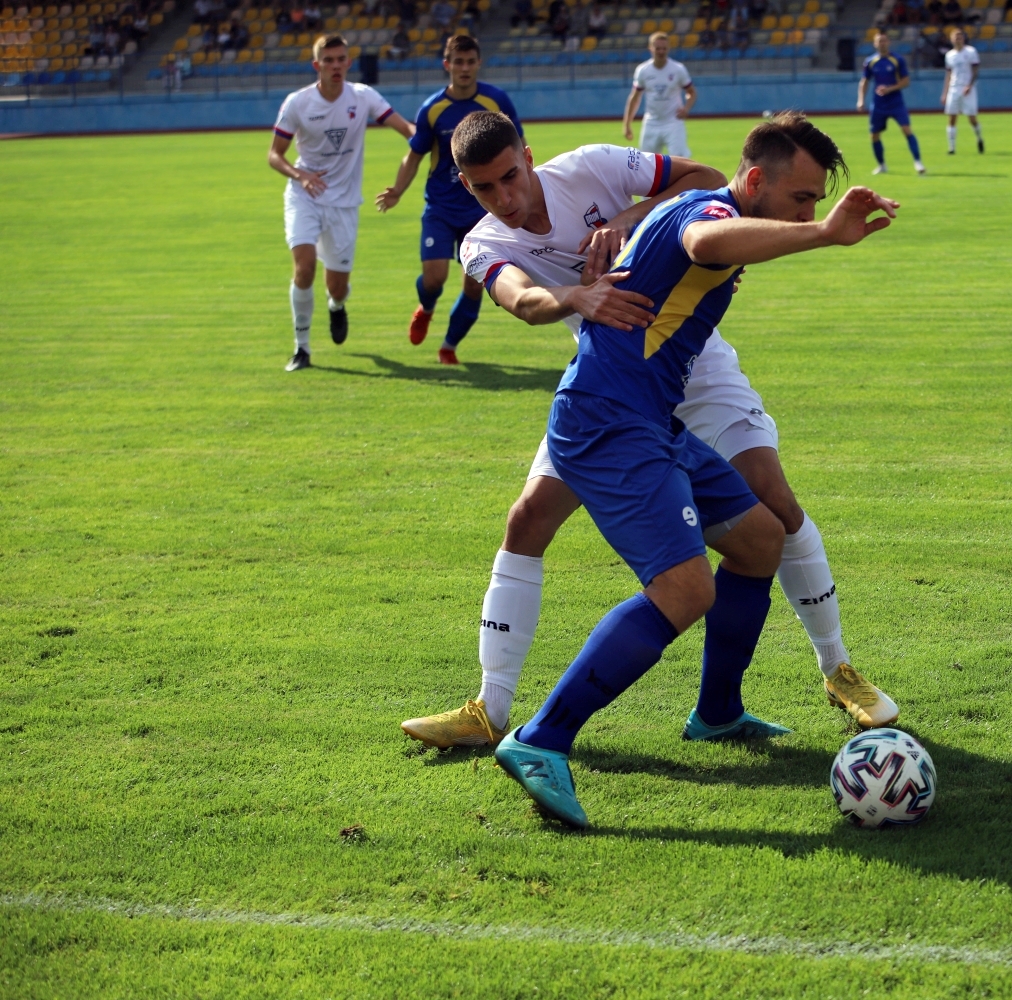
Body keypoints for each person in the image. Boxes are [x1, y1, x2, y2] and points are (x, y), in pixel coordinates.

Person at [402, 124, 903, 752]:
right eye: (483, 188)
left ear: (529, 159)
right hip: (616, 374)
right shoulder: (481, 242)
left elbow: (702, 185)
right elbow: (524, 300)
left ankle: (836, 670)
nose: (503, 197)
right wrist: (578, 297)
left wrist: (631, 226)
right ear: (466, 187)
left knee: (771, 506)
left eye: (510, 176)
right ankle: (491, 710)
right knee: (529, 520)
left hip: (689, 359)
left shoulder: (592, 166)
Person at [268, 34, 413, 372]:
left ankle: (337, 305)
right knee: (304, 268)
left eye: (341, 59)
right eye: (328, 60)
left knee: (338, 285)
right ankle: (301, 348)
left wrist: (428, 136)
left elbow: (403, 125)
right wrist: (299, 175)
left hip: (344, 204)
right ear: (316, 65)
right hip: (305, 195)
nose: (335, 66)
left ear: (349, 62)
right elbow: (274, 155)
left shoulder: (362, 96)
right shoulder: (297, 103)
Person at [375, 35, 522, 365]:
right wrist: (397, 190)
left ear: (478, 63)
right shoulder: (433, 108)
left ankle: (449, 345)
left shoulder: (496, 102)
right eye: (458, 62)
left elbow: (518, 148)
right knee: (435, 277)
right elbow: (413, 156)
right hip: (441, 207)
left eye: (470, 62)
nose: (464, 68)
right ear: (447, 65)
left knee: (473, 288)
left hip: (482, 211)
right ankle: (426, 307)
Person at [857, 30, 925, 175]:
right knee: (874, 135)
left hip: (895, 102)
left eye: (884, 40)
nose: (882, 43)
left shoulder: (897, 60)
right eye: (879, 41)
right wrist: (861, 100)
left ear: (889, 42)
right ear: (875, 44)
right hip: (879, 104)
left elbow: (906, 81)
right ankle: (881, 165)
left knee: (906, 130)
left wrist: (890, 89)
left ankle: (918, 162)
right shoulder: (870, 62)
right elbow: (865, 81)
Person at [624, 32, 696, 157]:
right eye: (658, 48)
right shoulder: (643, 70)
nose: (661, 52)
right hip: (651, 122)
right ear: (650, 48)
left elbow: (691, 92)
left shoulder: (678, 69)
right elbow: (635, 98)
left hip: (673, 122)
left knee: (680, 160)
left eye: (664, 48)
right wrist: (627, 124)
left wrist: (686, 109)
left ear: (668, 49)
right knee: (645, 163)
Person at [942, 27, 983, 153]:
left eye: (960, 37)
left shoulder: (971, 52)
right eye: (955, 37)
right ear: (951, 39)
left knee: (972, 118)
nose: (958, 39)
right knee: (952, 117)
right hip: (954, 88)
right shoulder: (949, 55)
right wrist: (945, 92)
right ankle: (952, 148)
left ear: (963, 38)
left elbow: (975, 70)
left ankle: (979, 137)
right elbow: (948, 74)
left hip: (967, 89)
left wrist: (969, 85)